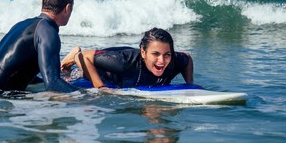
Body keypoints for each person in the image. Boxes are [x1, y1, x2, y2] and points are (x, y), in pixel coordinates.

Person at [0, 0, 80, 93]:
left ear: (43, 3)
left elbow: (17, 72)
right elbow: (52, 85)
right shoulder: (48, 32)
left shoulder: (22, 25)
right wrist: (87, 96)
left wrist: (59, 80)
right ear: (68, 8)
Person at [61, 27, 194, 89]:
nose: (162, 60)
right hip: (105, 67)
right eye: (155, 54)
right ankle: (70, 57)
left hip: (123, 57)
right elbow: (83, 57)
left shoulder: (173, 61)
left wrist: (189, 85)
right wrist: (101, 88)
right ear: (143, 53)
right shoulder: (124, 63)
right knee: (69, 77)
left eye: (167, 54)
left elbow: (187, 59)